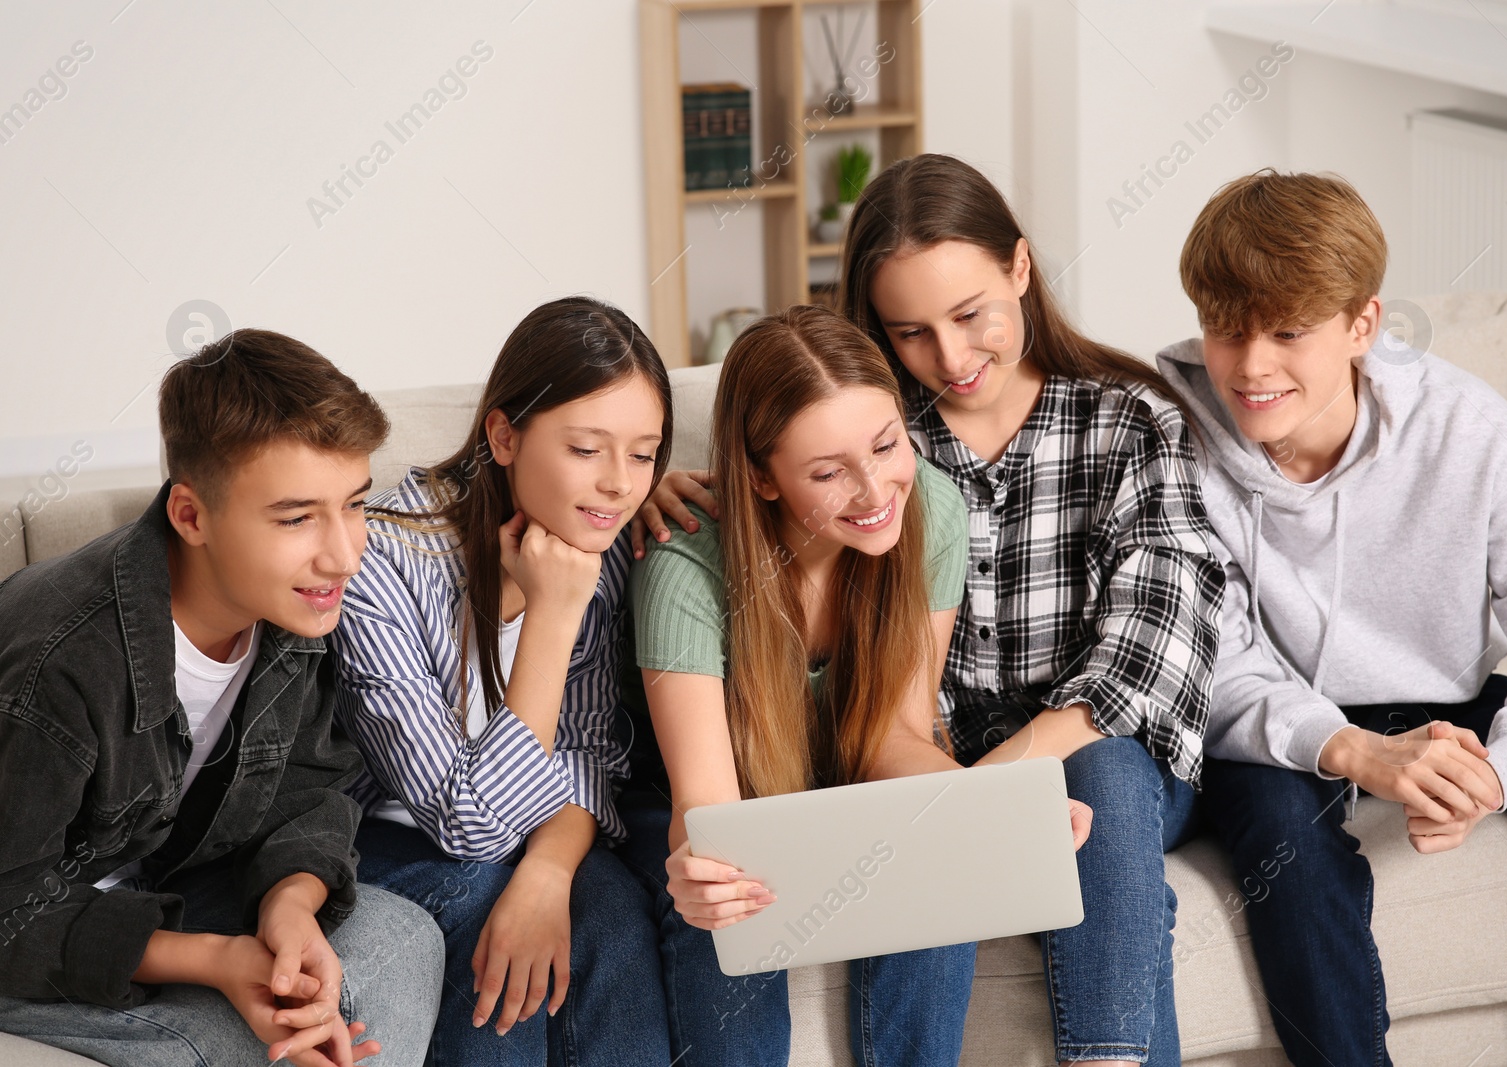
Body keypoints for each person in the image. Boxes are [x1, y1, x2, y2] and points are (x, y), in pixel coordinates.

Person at [636, 155, 1221, 1067]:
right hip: (922, 758)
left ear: (1021, 269)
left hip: (1081, 753)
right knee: (910, 824)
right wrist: (639, 484)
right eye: (911, 331)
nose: (950, 359)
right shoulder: (884, 432)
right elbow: (876, 739)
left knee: (1091, 776)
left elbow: (1144, 667)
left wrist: (986, 801)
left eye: (971, 314)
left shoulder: (1116, 426)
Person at [1155, 169, 1507, 1064]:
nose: (1249, 366)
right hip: (1280, 723)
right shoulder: (1172, 436)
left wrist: (1498, 773)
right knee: (1286, 843)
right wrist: (1347, 747)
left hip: (1447, 702)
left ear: (1364, 325)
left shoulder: (1472, 433)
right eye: (1227, 329)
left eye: (1288, 331)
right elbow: (1213, 657)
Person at [621, 305, 1091, 1066]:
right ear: (762, 478)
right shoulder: (684, 570)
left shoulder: (930, 507)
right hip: (702, 800)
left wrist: (988, 812)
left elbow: (894, 737)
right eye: (828, 472)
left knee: (937, 878)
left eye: (886, 444)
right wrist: (704, 872)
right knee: (721, 920)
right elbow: (706, 813)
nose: (877, 488)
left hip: (845, 781)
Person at [0, 329, 444, 1067]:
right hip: (34, 921)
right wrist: (213, 960)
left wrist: (289, 908)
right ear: (191, 516)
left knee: (398, 941)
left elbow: (310, 788)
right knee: (217, 1045)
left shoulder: (296, 604)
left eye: (354, 504)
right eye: (297, 517)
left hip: (162, 887)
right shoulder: (63, 661)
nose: (343, 552)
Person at [331, 296, 672, 1066]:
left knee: (613, 911)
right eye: (587, 448)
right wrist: (552, 618)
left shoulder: (599, 539)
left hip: (526, 831)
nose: (620, 484)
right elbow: (464, 824)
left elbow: (584, 752)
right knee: (483, 901)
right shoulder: (380, 563)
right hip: (381, 839)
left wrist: (551, 871)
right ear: (504, 435)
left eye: (644, 453)